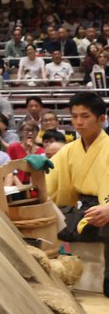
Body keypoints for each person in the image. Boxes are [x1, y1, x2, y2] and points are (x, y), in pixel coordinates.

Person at [47, 92, 109, 294]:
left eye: (85, 116)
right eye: (74, 116)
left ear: (102, 118)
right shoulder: (68, 150)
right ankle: (47, 279)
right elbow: (50, 180)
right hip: (81, 211)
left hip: (105, 209)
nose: (79, 122)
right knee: (41, 216)